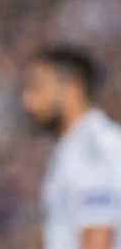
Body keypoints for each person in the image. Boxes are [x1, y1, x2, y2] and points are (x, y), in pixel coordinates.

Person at [23, 46, 121, 249]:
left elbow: (98, 236)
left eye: (38, 86)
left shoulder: (92, 149)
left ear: (73, 90)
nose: (28, 99)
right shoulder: (72, 147)